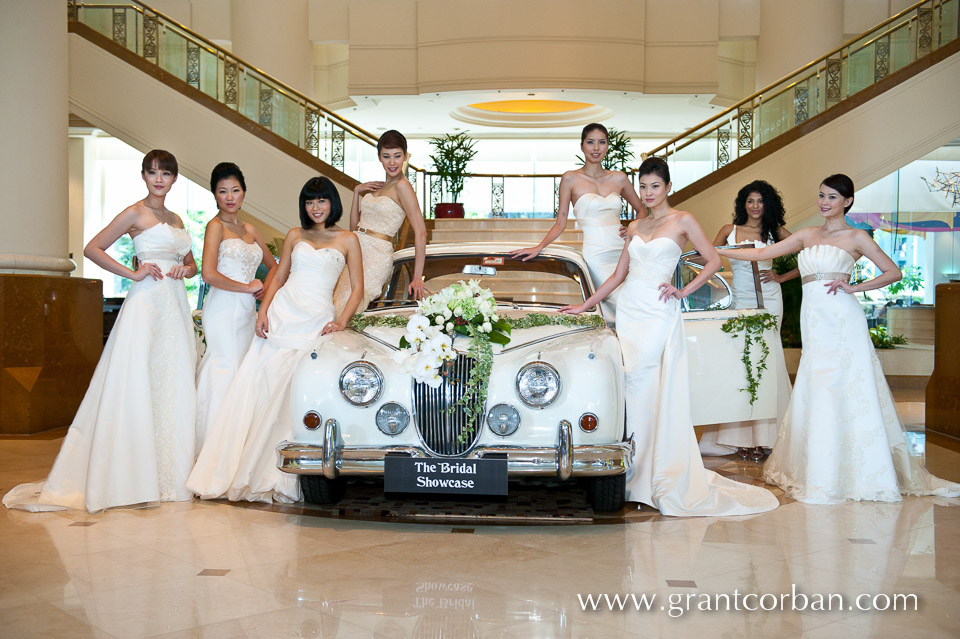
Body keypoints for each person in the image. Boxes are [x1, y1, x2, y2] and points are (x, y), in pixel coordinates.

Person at [717, 174, 960, 504]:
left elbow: (893, 272)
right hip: (814, 320)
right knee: (818, 384)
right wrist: (712, 250)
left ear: (846, 201)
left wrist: (854, 287)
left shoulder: (856, 236)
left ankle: (861, 468)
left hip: (843, 317)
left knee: (850, 384)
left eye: (832, 197)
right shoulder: (807, 234)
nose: (824, 202)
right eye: (821, 195)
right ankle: (821, 464)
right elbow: (762, 255)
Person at [560, 157, 779, 516]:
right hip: (630, 309)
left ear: (668, 187)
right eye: (642, 186)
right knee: (629, 385)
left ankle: (647, 473)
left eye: (654, 186)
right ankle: (625, 471)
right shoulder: (634, 225)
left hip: (659, 312)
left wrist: (683, 291)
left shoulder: (683, 220)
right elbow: (617, 277)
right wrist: (586, 306)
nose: (647, 193)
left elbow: (711, 261)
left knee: (643, 381)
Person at [4, 150, 198, 512]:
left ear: (174, 179)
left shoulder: (176, 218)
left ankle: (169, 474)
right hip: (145, 305)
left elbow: (192, 264)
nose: (159, 179)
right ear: (143, 176)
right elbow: (92, 247)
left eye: (166, 173)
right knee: (136, 380)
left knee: (170, 382)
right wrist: (133, 273)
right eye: (153, 172)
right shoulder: (134, 212)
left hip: (174, 307)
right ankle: (130, 475)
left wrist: (184, 272)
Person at [187, 176, 363, 503]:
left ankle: (282, 464)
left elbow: (357, 290)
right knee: (261, 381)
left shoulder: (348, 238)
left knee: (294, 386)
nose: (316, 207)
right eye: (310, 202)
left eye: (322, 201)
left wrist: (341, 321)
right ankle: (236, 463)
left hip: (316, 318)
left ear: (332, 203)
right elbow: (279, 275)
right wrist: (263, 311)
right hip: (284, 312)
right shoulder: (295, 235)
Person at [511, 123, 645, 326]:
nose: (596, 148)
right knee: (616, 306)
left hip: (623, 249)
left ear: (607, 146)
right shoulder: (570, 178)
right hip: (597, 254)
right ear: (582, 146)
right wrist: (539, 247)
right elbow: (561, 222)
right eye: (590, 142)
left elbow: (642, 210)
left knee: (634, 302)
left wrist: (634, 227)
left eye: (602, 142)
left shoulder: (619, 178)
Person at [699, 180, 797, 459]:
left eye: (760, 201)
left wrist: (781, 276)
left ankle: (770, 437)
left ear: (768, 204)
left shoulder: (775, 231)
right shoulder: (728, 230)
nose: (755, 206)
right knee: (740, 364)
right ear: (743, 203)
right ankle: (737, 438)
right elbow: (707, 258)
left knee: (769, 361)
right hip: (739, 302)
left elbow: (808, 252)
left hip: (769, 299)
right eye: (750, 201)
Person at [194, 162, 277, 451]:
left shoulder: (250, 229)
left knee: (244, 370)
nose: (229, 197)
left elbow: (275, 266)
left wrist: (264, 290)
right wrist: (247, 287)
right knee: (225, 368)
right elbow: (208, 274)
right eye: (222, 191)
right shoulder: (214, 227)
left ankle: (240, 447)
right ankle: (215, 448)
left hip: (246, 312)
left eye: (235, 190)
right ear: (215, 195)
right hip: (223, 309)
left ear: (244, 193)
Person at [332, 129, 427, 314]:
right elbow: (354, 229)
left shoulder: (403, 186)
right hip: (355, 250)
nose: (392, 162)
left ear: (405, 156)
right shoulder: (381, 187)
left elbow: (421, 231)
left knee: (348, 307)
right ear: (379, 157)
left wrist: (417, 277)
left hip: (376, 255)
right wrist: (357, 193)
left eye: (397, 156)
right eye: (386, 156)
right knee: (335, 303)